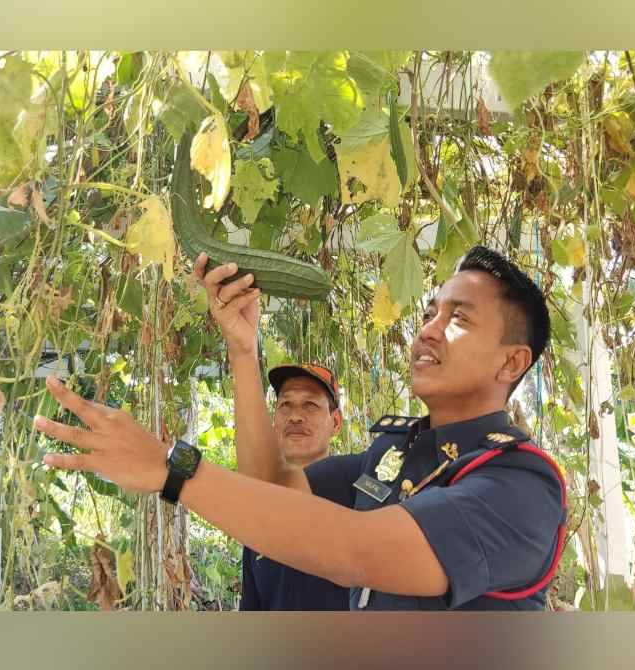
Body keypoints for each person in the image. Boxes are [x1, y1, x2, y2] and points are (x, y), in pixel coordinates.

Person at [33, 244, 566, 610]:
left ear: (511, 363)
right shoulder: (395, 454)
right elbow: (270, 485)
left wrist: (171, 468)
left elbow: (355, 551)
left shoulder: (519, 486)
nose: (428, 330)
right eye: (431, 311)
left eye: (459, 318)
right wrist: (245, 350)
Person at [239, 363, 349, 610]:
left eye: (310, 405)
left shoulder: (359, 497)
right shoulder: (261, 513)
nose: (295, 416)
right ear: (275, 421)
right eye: (285, 405)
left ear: (336, 422)